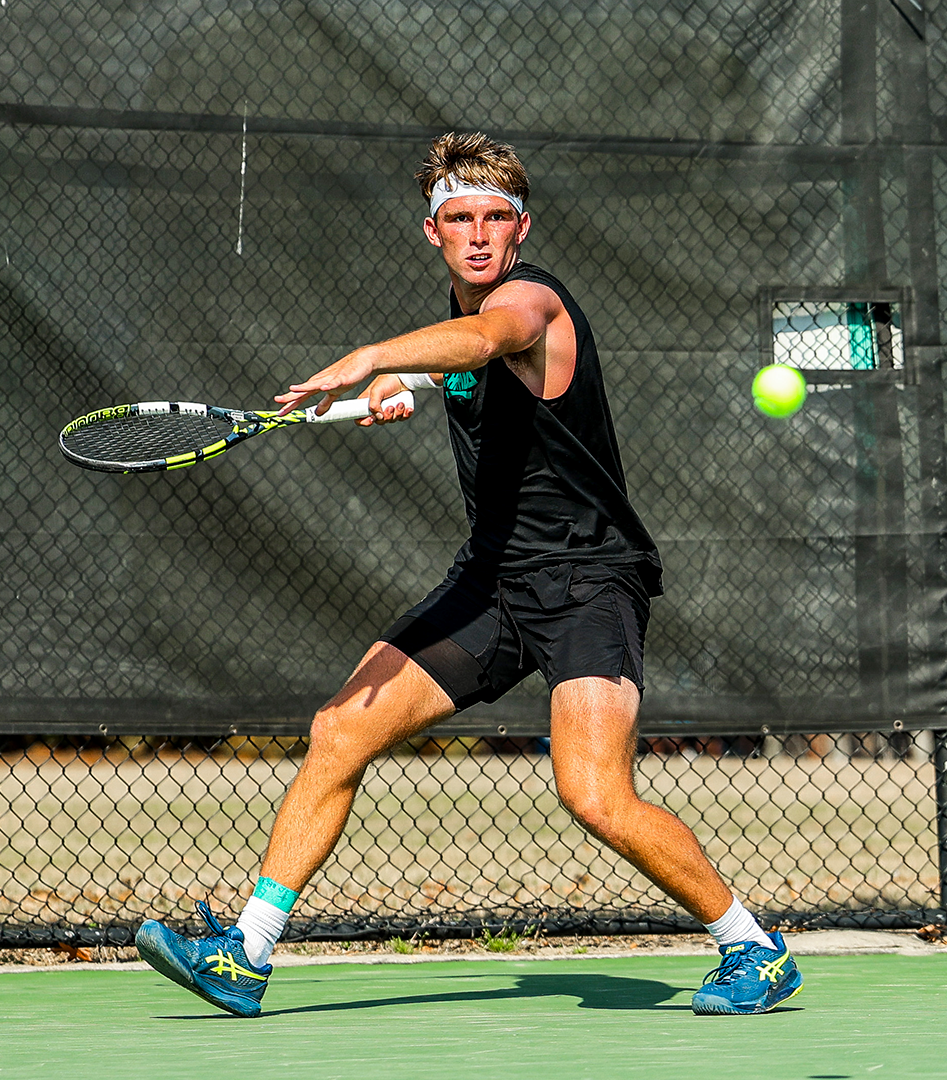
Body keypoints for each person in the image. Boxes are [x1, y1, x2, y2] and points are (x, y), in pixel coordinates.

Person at [135, 132, 801, 1018]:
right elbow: (458, 364)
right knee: (339, 730)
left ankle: (751, 946)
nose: (479, 235)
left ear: (521, 228)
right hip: (491, 582)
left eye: (496, 218)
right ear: (432, 231)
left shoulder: (533, 303)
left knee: (593, 793)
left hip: (587, 579)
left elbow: (493, 338)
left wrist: (376, 357)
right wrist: (400, 388)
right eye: (460, 219)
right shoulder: (452, 322)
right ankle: (246, 955)